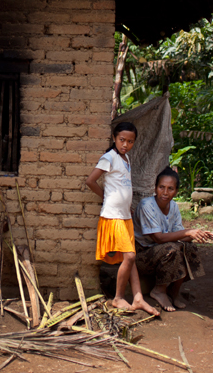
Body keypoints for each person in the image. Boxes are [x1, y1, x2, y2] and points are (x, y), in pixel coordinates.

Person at [85, 122, 159, 315]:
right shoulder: (108, 158)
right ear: (114, 139)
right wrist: (106, 198)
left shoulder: (126, 159)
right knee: (130, 256)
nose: (126, 144)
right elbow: (90, 181)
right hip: (113, 216)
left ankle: (138, 298)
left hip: (125, 216)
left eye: (130, 141)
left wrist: (128, 208)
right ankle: (118, 298)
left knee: (130, 258)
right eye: (122, 140)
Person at [133, 167, 213, 311]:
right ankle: (159, 290)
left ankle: (174, 292)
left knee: (189, 247)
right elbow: (158, 238)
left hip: (161, 252)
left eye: (170, 189)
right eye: (161, 187)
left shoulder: (174, 207)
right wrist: (189, 232)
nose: (165, 192)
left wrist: (197, 234)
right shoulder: (147, 206)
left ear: (176, 191)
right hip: (143, 255)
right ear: (155, 188)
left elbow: (179, 234)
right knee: (173, 249)